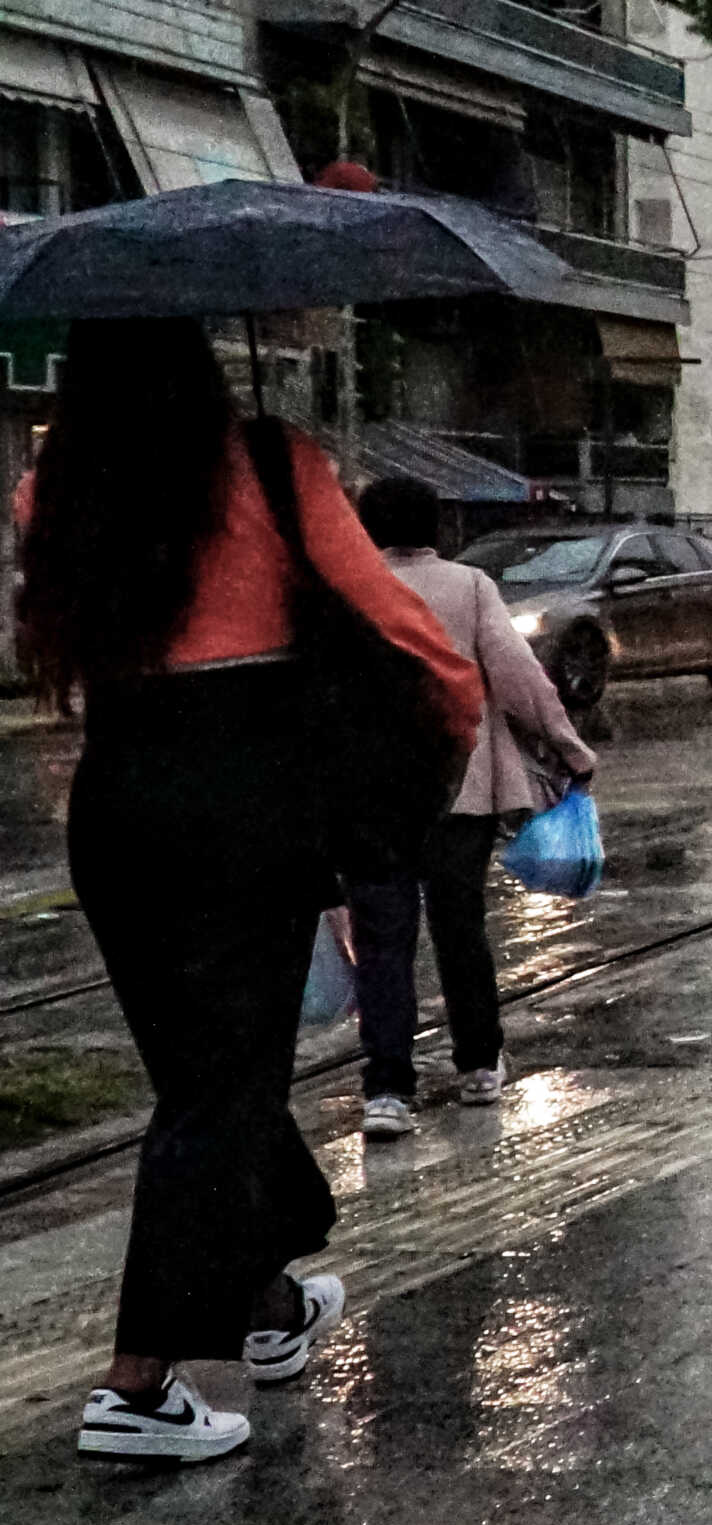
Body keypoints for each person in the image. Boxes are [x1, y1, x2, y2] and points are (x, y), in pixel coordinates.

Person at [16, 317, 479, 1463]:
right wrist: (435, 758)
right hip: (245, 805)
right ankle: (137, 1386)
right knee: (219, 1090)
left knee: (204, 1073)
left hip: (117, 802)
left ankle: (269, 1308)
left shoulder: (55, 489)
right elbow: (410, 640)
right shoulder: (276, 464)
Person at [350, 476, 596, 1139]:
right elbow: (519, 678)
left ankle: (388, 1089)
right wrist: (569, 747)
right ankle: (480, 1065)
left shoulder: (347, 588)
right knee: (460, 929)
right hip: (461, 789)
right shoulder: (470, 588)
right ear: (437, 528)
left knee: (383, 940)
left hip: (370, 797)